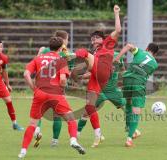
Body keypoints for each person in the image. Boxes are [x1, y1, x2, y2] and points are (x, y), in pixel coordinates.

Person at [18, 37, 85, 159]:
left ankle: (23, 151)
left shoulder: (38, 58)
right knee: (70, 119)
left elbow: (26, 74)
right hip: (55, 94)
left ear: (49, 46)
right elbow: (63, 80)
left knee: (33, 123)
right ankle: (73, 140)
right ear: (60, 48)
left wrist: (33, 87)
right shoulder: (61, 60)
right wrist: (62, 87)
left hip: (40, 93)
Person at [68, 4, 121, 147]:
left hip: (103, 70)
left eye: (96, 38)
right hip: (97, 77)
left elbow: (118, 30)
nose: (93, 40)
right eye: (92, 38)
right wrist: (80, 77)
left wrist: (116, 13)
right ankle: (98, 135)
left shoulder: (107, 44)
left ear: (102, 39)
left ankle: (72, 58)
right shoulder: (95, 53)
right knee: (90, 107)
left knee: (84, 53)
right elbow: (91, 71)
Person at [33, 30, 74, 148]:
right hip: (57, 89)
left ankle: (37, 129)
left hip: (41, 86)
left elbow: (36, 65)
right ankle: (55, 141)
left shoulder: (44, 50)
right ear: (64, 40)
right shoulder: (67, 54)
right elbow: (68, 73)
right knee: (58, 115)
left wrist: (39, 53)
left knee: (38, 112)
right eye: (67, 39)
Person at [77, 51, 126, 147]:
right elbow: (123, 70)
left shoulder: (101, 57)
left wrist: (81, 76)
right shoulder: (117, 55)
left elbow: (97, 72)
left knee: (88, 110)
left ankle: (78, 133)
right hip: (110, 90)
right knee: (126, 107)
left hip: (103, 89)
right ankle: (133, 130)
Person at [114, 42, 159, 147]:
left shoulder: (140, 51)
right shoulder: (155, 64)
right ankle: (129, 139)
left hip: (127, 80)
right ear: (155, 54)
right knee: (136, 110)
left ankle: (129, 128)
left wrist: (117, 58)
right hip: (138, 83)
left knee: (128, 104)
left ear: (147, 48)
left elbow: (129, 45)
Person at [0, 40, 24, 131]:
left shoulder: (4, 58)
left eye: (1, 46)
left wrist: (8, 84)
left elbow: (4, 72)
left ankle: (15, 124)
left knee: (9, 101)